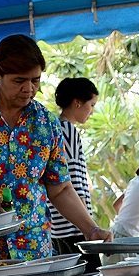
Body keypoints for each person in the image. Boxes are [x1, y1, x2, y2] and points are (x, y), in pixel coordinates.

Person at [0, 35, 111, 267]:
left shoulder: (46, 122)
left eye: (35, 80)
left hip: (33, 249)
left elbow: (60, 187)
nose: (29, 89)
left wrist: (90, 228)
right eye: (19, 81)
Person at [47, 77, 99, 259]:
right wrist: (89, 225)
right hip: (74, 225)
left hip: (58, 225)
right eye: (91, 105)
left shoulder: (54, 127)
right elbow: (74, 182)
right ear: (77, 103)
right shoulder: (67, 131)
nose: (91, 111)